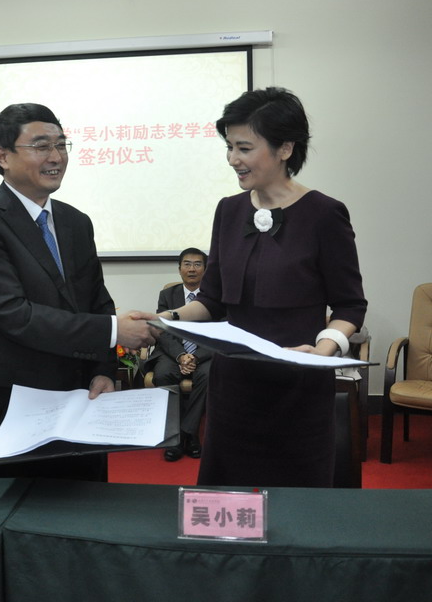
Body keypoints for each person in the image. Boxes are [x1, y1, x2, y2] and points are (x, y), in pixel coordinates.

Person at [154, 87, 366, 488]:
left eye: (245, 148)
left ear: (285, 148)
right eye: (230, 147)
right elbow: (212, 300)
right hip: (234, 386)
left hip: (299, 387)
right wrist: (165, 319)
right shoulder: (229, 210)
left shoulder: (324, 213)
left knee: (298, 503)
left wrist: (321, 353)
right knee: (226, 498)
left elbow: (350, 306)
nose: (233, 159)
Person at [0, 102, 156, 481]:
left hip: (81, 398)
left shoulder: (76, 221)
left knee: (86, 504)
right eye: (41, 146)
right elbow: (14, 314)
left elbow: (96, 300)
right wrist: (114, 331)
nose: (56, 157)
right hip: (13, 401)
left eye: (61, 145)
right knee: (16, 511)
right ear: (3, 156)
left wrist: (103, 369)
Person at [145, 247, 212, 462]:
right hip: (172, 352)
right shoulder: (167, 295)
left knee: (208, 375)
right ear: (179, 268)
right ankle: (177, 436)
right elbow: (162, 331)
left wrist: (196, 357)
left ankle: (186, 434)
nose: (192, 269)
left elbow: (219, 332)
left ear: (205, 269)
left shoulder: (214, 298)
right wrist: (182, 356)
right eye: (187, 264)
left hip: (204, 353)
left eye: (197, 264)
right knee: (163, 374)